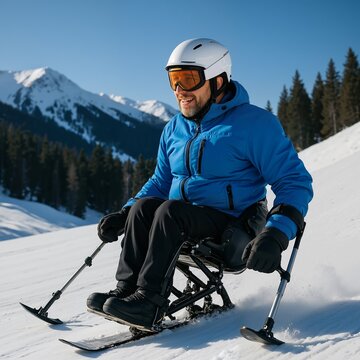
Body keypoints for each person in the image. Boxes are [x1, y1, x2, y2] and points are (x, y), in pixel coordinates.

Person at [87, 38, 313, 331]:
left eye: (189, 79)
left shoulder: (254, 125)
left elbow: (294, 181)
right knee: (145, 208)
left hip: (236, 230)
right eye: (174, 80)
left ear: (218, 80)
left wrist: (276, 235)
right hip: (187, 221)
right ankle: (127, 290)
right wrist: (126, 212)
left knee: (170, 212)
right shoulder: (174, 128)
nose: (180, 91)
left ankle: (149, 302)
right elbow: (161, 180)